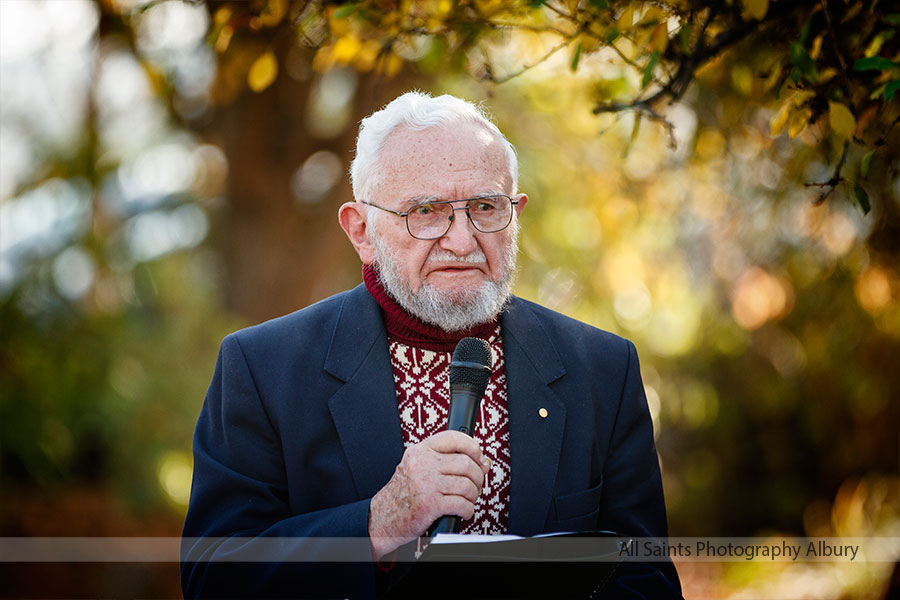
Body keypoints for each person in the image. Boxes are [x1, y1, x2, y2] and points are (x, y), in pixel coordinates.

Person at [181, 91, 681, 598]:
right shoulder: (263, 368)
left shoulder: (602, 370)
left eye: (485, 207)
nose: (462, 241)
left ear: (516, 214)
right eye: (426, 211)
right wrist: (378, 524)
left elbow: (647, 577)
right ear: (361, 231)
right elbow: (213, 577)